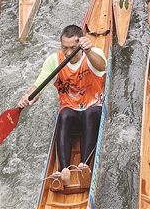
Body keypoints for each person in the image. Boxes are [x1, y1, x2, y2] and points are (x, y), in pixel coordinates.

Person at [18, 24, 106, 192]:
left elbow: (101, 66)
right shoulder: (54, 60)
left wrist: (88, 51)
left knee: (91, 113)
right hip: (71, 111)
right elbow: (38, 87)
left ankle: (84, 167)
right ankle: (63, 170)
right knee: (63, 115)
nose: (68, 52)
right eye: (64, 47)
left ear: (80, 44)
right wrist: (27, 98)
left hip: (93, 107)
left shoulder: (94, 54)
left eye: (72, 48)